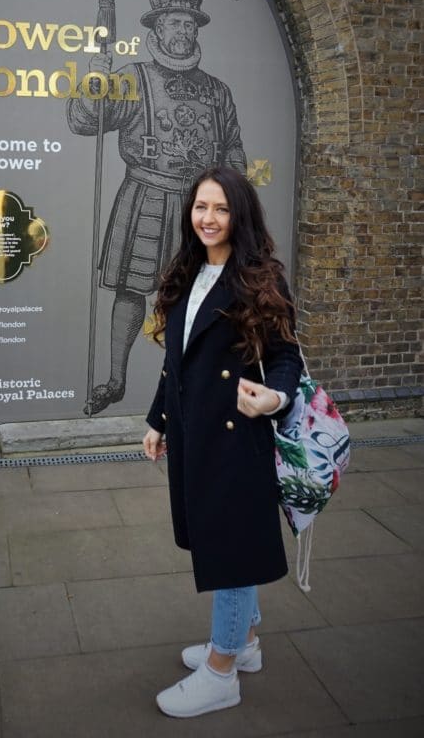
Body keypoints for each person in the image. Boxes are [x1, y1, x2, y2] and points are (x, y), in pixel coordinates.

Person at [143, 164, 302, 718]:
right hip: (195, 434)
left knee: (231, 554)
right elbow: (176, 360)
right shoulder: (190, 270)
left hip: (238, 441)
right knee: (226, 543)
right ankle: (246, 643)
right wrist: (159, 419)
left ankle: (221, 672)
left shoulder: (260, 277)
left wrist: (274, 399)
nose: (208, 219)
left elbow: (285, 357)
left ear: (240, 215)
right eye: (200, 208)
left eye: (221, 209)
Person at [67, 0, 246, 416]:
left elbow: (234, 149)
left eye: (189, 24)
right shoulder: (132, 78)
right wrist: (96, 78)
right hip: (145, 195)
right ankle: (116, 380)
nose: (183, 30)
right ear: (157, 29)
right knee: (130, 292)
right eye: (174, 23)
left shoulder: (217, 91)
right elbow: (82, 121)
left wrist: (229, 198)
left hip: (197, 209)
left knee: (197, 296)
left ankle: (188, 382)